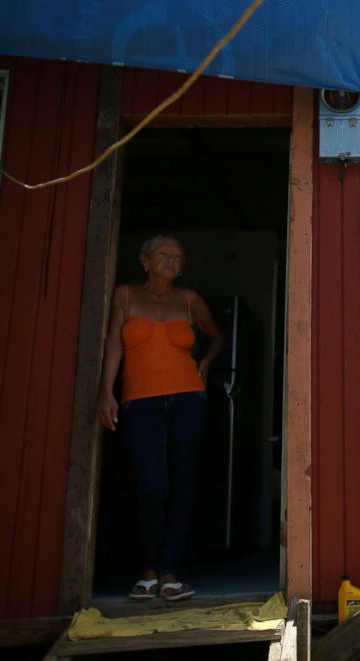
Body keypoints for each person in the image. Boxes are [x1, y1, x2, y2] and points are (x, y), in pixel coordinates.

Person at [98, 235, 224, 602]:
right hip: (139, 402)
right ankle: (149, 569)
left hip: (189, 400)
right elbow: (113, 344)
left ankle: (169, 572)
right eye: (164, 254)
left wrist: (206, 361)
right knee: (153, 484)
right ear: (144, 260)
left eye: (178, 256)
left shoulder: (189, 300)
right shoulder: (124, 295)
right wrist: (107, 392)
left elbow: (216, 336)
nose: (172, 260)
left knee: (183, 483)